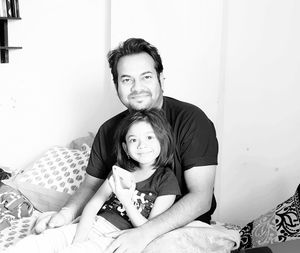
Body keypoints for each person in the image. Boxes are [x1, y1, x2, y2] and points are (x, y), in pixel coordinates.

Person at [33, 38, 218, 253]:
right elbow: (91, 186)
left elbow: (201, 197)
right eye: (127, 79)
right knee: (47, 239)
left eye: (146, 77)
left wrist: (144, 233)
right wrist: (66, 212)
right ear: (117, 86)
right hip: (113, 222)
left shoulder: (191, 120)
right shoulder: (108, 130)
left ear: (161, 79)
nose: (137, 87)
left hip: (179, 227)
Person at [5, 109, 181, 253]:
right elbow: (92, 207)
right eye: (134, 140)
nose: (142, 145)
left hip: (118, 237)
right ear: (126, 148)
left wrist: (126, 200)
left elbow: (149, 228)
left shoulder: (166, 180)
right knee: (34, 244)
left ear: (162, 140)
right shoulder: (120, 171)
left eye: (149, 137)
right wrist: (77, 240)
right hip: (92, 224)